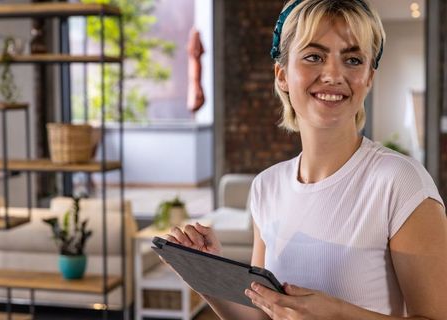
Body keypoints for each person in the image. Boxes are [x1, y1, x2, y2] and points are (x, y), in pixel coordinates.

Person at [164, 0, 447, 318]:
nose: (333, 74)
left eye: (353, 59)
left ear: (368, 78)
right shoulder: (266, 187)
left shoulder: (402, 183)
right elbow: (261, 313)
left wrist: (338, 313)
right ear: (282, 75)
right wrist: (206, 277)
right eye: (314, 56)